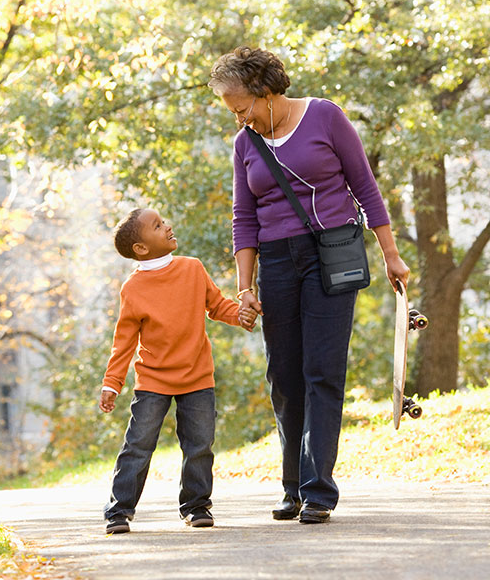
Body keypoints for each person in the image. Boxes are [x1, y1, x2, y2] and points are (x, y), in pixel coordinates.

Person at [208, 46, 410, 524]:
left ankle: (319, 489)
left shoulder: (324, 117)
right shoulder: (245, 144)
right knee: (284, 375)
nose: (240, 118)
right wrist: (245, 287)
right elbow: (244, 219)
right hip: (277, 262)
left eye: (243, 107)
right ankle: (291, 487)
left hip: (331, 252)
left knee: (322, 370)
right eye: (232, 112)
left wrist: (391, 254)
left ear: (267, 90)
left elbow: (365, 185)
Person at [100, 208, 257, 534]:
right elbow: (124, 341)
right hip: (153, 381)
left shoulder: (192, 269)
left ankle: (196, 506)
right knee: (138, 446)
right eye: (158, 226)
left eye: (164, 221)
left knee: (200, 444)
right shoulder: (133, 288)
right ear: (141, 248)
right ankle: (119, 510)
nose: (168, 226)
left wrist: (239, 315)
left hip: (197, 376)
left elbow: (217, 305)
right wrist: (112, 384)